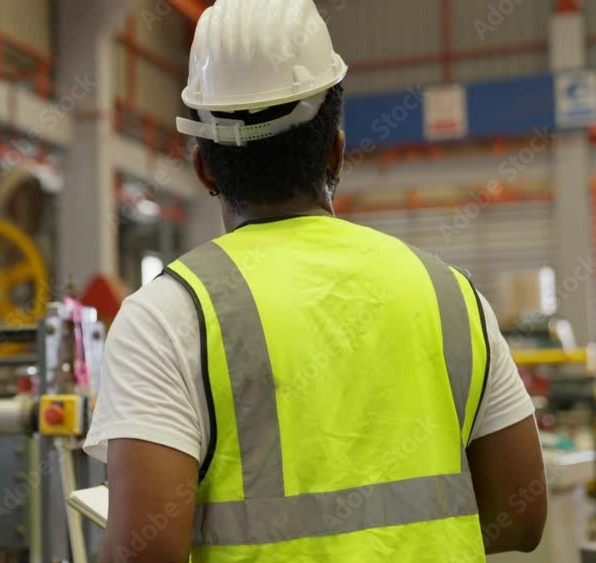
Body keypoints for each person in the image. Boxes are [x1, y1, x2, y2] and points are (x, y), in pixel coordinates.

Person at [84, 1, 546, 562]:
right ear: (336, 152)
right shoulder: (450, 293)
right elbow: (521, 517)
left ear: (203, 167)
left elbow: (143, 553)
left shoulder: (168, 315)